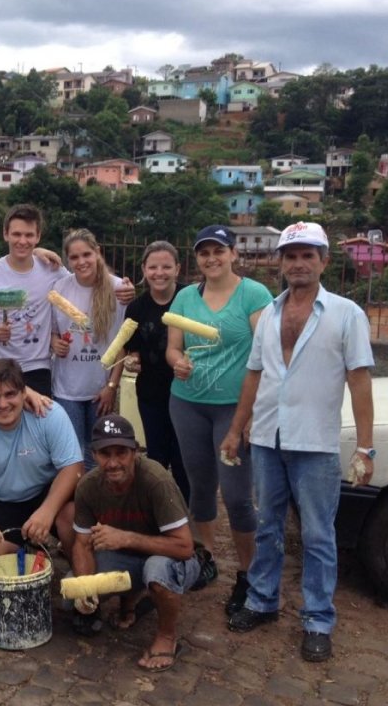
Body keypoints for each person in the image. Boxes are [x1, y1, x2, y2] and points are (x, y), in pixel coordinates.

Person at [222, 222, 374, 663]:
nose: (299, 263)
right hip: (268, 438)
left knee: (318, 535)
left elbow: (359, 382)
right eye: (291, 256)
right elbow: (254, 375)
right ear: (281, 263)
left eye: (308, 255)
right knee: (267, 524)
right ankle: (262, 600)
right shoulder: (269, 314)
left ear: (324, 261)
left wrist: (365, 448)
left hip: (316, 444)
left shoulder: (346, 314)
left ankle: (318, 620)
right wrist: (236, 429)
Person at [165, 225, 272, 617]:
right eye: (204, 253)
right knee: (200, 486)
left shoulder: (254, 295)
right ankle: (206, 557)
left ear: (233, 254)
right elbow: (173, 349)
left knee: (239, 496)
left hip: (233, 407)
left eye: (218, 251)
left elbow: (266, 352)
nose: (211, 259)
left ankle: (248, 574)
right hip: (188, 403)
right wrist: (178, 364)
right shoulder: (185, 298)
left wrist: (250, 415)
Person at [72, 414, 201, 673]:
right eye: (104, 454)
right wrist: (84, 587)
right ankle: (129, 602)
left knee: (157, 570)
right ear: (94, 454)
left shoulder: (156, 480)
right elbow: (82, 543)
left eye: (121, 453)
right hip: (127, 557)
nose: (113, 462)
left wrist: (126, 538)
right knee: (72, 596)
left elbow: (185, 548)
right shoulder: (88, 486)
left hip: (175, 560)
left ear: (135, 451)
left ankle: (166, 636)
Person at [0, 358, 84, 558]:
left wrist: (47, 511)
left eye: (10, 394)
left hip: (45, 492)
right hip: (0, 500)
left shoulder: (49, 414)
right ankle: (22, 570)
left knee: (72, 516)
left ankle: (81, 579)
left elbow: (74, 467)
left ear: (24, 393)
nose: (3, 404)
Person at [51, 229, 127, 470]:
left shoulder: (119, 290)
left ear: (97, 252)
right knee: (73, 455)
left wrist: (111, 387)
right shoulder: (60, 288)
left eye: (86, 254)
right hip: (66, 389)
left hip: (100, 389)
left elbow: (121, 345)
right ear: (67, 260)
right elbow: (52, 331)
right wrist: (54, 342)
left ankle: (100, 503)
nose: (81, 262)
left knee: (99, 453)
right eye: (74, 257)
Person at [0, 204, 68, 397]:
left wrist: (121, 286)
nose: (22, 241)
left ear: (38, 237)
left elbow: (81, 283)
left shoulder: (52, 270)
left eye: (29, 235)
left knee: (37, 424)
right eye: (16, 234)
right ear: (5, 234)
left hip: (38, 367)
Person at [123, 241, 189, 501]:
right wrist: (131, 361)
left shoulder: (189, 299)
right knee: (158, 458)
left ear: (178, 269)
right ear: (143, 269)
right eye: (153, 267)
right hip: (151, 393)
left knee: (184, 457)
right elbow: (132, 350)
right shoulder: (137, 308)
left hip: (187, 393)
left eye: (166, 267)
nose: (159, 273)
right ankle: (161, 508)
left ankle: (187, 514)